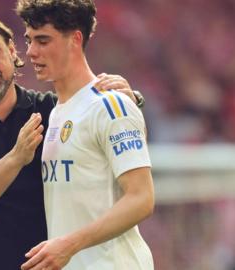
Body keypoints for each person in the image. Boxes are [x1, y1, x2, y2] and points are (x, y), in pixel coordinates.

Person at [0, 8, 143, 270]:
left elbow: (108, 130)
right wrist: (16, 158)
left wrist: (129, 101)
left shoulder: (52, 111)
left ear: (12, 51)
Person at [16, 0, 155, 269]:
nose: (31, 51)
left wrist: (69, 244)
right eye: (29, 40)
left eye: (43, 40)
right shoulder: (57, 112)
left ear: (75, 39)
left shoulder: (110, 105)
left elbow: (142, 199)